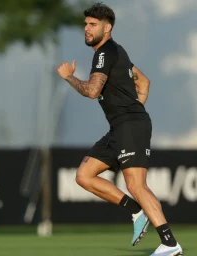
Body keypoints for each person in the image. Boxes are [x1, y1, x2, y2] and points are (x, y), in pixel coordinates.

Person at [57, 2, 183, 256]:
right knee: (84, 175)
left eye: (93, 25)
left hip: (129, 125)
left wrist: (69, 77)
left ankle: (170, 244)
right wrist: (135, 110)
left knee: (137, 185)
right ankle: (136, 211)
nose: (87, 29)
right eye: (86, 24)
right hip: (122, 126)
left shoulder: (104, 53)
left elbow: (92, 91)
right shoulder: (118, 52)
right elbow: (144, 82)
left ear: (108, 27)